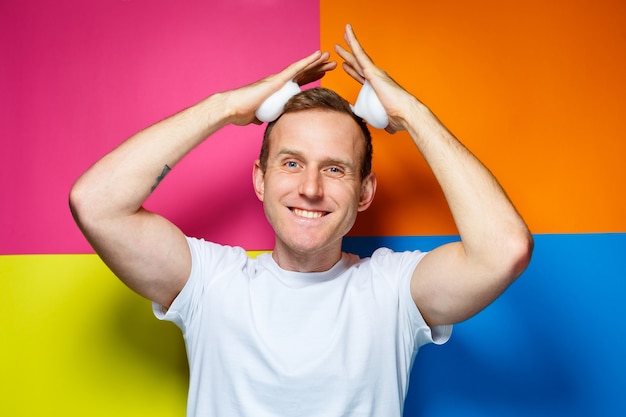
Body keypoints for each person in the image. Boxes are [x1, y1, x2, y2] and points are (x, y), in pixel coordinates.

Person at [69, 25, 533, 417]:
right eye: (291, 163)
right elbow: (96, 202)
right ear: (261, 180)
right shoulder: (211, 282)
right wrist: (227, 107)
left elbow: (503, 250)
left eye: (334, 168)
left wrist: (413, 113)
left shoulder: (393, 291)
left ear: (365, 191)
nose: (310, 187)